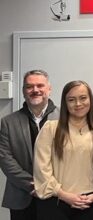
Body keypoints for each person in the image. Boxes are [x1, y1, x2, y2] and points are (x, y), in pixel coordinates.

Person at [33, 81, 93, 220]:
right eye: (71, 100)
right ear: (65, 103)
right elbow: (41, 169)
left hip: (90, 203)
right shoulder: (51, 129)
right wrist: (63, 194)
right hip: (56, 203)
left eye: (83, 98)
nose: (78, 104)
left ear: (90, 100)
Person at [0, 70, 58, 220]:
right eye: (29, 86)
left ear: (49, 89)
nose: (35, 90)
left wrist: (50, 187)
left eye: (40, 85)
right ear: (23, 91)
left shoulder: (65, 118)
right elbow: (5, 159)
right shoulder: (8, 122)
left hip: (58, 196)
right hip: (22, 195)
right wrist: (33, 185)